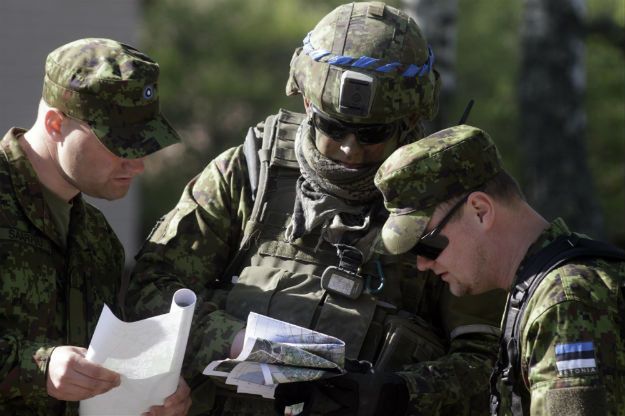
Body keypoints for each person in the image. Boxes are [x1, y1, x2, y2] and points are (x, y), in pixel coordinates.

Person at [127, 3, 505, 415]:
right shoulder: (249, 173)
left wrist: (398, 391)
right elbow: (151, 291)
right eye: (332, 126)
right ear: (308, 103)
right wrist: (235, 341)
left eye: (372, 133)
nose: (349, 148)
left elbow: (487, 358)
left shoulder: (442, 202)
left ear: (409, 120)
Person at [374, 124, 625, 415]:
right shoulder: (542, 289)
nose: (422, 263)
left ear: (480, 211)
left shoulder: (564, 302)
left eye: (427, 246)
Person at [0, 38, 192, 416]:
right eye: (118, 145)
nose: (136, 165)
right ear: (55, 123)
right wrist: (37, 367)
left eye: (143, 146)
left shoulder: (98, 239)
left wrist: (151, 393)